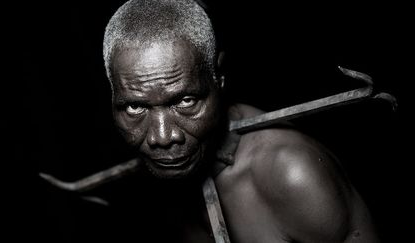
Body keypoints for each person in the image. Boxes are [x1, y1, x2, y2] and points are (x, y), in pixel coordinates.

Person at [99, 0, 380, 242]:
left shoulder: (290, 173)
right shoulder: (148, 184)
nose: (161, 137)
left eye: (185, 101)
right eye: (135, 106)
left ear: (218, 79)